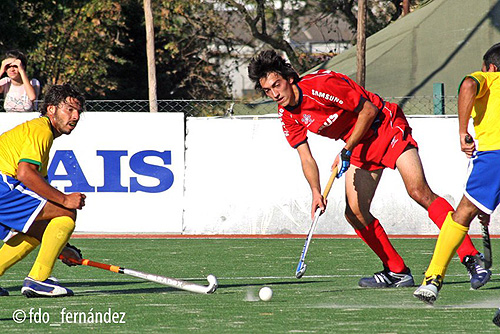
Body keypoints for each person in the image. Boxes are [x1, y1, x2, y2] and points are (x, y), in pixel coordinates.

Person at [247, 50, 490, 289]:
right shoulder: (287, 114)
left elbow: (368, 110)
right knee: (355, 213)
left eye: (277, 85)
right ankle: (397, 271)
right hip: (359, 144)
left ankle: (471, 257)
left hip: (385, 125)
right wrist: (315, 192)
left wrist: (347, 149)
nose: (274, 94)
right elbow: (305, 157)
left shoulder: (322, 84)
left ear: (289, 78)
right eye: (268, 90)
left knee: (418, 191)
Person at [414, 43, 500, 304]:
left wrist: (463, 132)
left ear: (491, 67)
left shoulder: (490, 77)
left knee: (462, 213)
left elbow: (467, 85)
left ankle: (433, 278)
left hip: (495, 155)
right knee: (473, 209)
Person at [0, 83, 86, 298]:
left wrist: (62, 247)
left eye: (78, 111)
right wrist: (65, 200)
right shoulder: (41, 130)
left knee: (39, 226)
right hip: (2, 185)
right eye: (69, 109)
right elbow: (25, 174)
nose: (75, 117)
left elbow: (38, 189)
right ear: (51, 109)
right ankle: (38, 280)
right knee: (66, 212)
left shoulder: (39, 133)